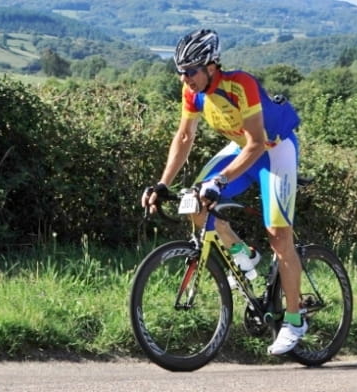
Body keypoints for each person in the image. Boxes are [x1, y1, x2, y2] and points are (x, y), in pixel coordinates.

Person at [141, 29, 307, 355]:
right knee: (193, 203)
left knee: (278, 234)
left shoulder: (240, 84)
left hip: (274, 149)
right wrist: (163, 184)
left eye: (191, 70)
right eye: (181, 71)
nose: (186, 78)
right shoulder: (192, 92)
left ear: (211, 66)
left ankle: (294, 319)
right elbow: (185, 137)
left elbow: (258, 143)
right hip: (242, 148)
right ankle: (245, 256)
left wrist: (220, 181)